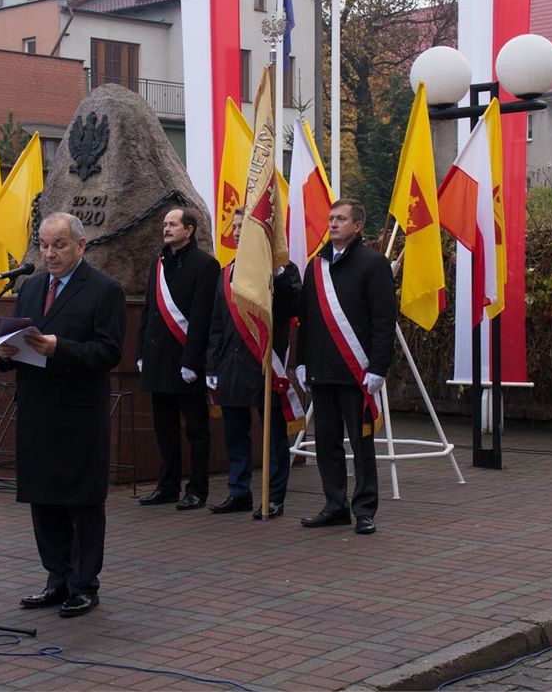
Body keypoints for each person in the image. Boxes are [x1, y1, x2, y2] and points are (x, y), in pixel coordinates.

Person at [0, 212, 126, 618]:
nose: (49, 253)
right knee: (43, 499)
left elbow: (109, 352)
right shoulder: (32, 287)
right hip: (37, 410)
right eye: (44, 245)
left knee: (82, 503)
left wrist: (60, 348)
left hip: (79, 415)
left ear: (81, 245)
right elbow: (21, 344)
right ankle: (56, 578)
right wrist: (5, 352)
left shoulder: (104, 290)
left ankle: (84, 584)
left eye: (59, 245)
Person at [295, 199, 397, 535]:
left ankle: (364, 510)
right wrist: (301, 362)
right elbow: (306, 319)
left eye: (341, 219)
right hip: (322, 372)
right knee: (326, 443)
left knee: (362, 443)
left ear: (357, 226)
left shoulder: (374, 264)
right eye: (331, 218)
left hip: (358, 374)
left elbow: (383, 321)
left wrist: (378, 368)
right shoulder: (315, 266)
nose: (334, 224)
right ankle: (334, 505)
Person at [206, 207, 302, 519]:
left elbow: (292, 305)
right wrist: (211, 367)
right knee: (235, 433)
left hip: (264, 365)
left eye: (242, 227)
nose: (235, 232)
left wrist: (277, 274)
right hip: (231, 366)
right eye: (234, 226)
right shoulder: (226, 273)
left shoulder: (282, 273)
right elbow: (217, 325)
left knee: (273, 437)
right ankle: (239, 491)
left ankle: (274, 496)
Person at [135, 208, 220, 510]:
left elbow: (202, 317)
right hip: (158, 359)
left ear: (190, 229)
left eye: (172, 224)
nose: (166, 229)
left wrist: (191, 360)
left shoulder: (206, 265)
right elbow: (148, 310)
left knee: (196, 429)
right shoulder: (158, 263)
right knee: (164, 427)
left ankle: (197, 489)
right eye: (164, 224)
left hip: (187, 361)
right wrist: (141, 352)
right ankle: (167, 486)